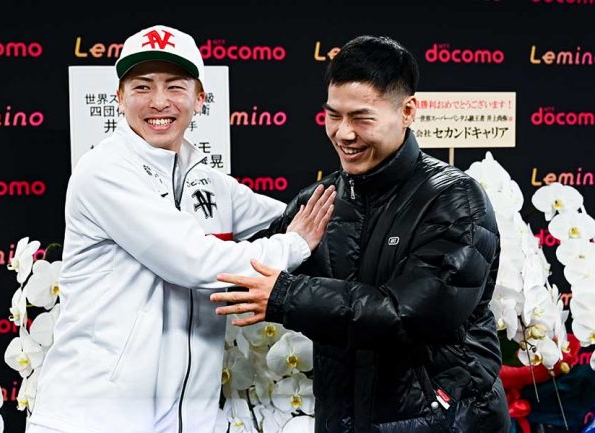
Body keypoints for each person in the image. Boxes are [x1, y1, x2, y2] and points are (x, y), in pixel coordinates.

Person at [26, 24, 335, 433]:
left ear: (199, 98)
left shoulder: (209, 181)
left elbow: (295, 217)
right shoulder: (104, 170)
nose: (159, 101)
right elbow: (196, 262)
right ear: (119, 97)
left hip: (187, 421)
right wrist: (293, 246)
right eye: (142, 87)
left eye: (175, 86)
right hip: (91, 420)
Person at [211, 35, 511, 433]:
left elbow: (409, 315)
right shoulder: (318, 201)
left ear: (407, 111)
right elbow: (239, 274)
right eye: (333, 116)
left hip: (444, 422)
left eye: (361, 118)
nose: (343, 133)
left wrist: (285, 295)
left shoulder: (455, 199)